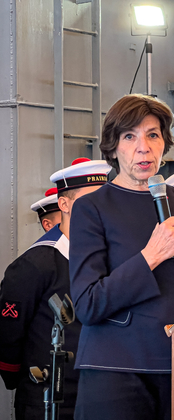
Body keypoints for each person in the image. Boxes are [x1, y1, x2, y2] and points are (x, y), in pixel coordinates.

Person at [69, 94, 174, 420]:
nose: (144, 146)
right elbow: (88, 304)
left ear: (164, 143)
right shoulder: (92, 208)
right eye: (130, 136)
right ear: (113, 148)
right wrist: (149, 257)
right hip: (116, 372)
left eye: (153, 134)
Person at [0, 157, 111, 420]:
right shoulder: (36, 264)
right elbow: (8, 334)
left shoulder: (113, 257)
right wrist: (22, 378)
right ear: (64, 204)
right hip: (51, 400)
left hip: (103, 395)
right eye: (90, 200)